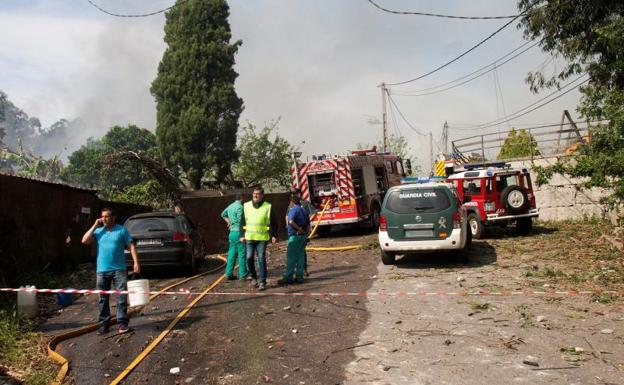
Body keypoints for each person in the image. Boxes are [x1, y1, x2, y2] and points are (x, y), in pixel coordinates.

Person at [81, 208, 139, 335]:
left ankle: (122, 323)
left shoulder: (122, 230)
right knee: (103, 298)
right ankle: (104, 324)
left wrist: (136, 262)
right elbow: (84, 240)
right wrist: (95, 225)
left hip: (119, 269)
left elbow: (131, 246)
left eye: (107, 216)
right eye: (102, 216)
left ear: (113, 217)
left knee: (121, 297)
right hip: (102, 270)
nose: (104, 219)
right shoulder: (98, 231)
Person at [240, 187, 278, 291]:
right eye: (254, 194)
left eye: (257, 194)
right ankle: (253, 278)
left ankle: (262, 281)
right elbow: (242, 222)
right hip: (249, 237)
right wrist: (241, 235)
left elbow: (274, 222)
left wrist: (274, 235)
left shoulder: (267, 206)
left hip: (262, 238)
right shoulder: (246, 206)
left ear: (262, 195)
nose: (255, 196)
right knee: (248, 257)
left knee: (261, 258)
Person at [278, 194, 310, 285]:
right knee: (300, 256)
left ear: (291, 202)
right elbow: (308, 225)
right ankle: (299, 277)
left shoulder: (293, 210)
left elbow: (290, 221)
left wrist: (298, 228)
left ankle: (288, 277)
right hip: (303, 236)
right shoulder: (304, 210)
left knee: (291, 257)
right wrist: (306, 235)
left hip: (294, 236)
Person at [220, 193, 248, 280]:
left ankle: (228, 274)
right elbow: (241, 221)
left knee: (231, 254)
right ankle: (243, 274)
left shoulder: (230, 206)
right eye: (244, 197)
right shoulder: (240, 207)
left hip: (231, 233)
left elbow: (222, 214)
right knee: (242, 254)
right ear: (241, 198)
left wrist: (229, 221)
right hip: (239, 233)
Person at [291, 188, 316, 276]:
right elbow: (287, 217)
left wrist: (307, 225)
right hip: (293, 232)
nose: (292, 195)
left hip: (302, 232)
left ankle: (304, 269)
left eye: (294, 193)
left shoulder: (305, 203)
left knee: (302, 251)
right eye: (292, 193)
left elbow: (313, 213)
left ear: (299, 194)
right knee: (294, 251)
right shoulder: (291, 204)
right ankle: (297, 269)